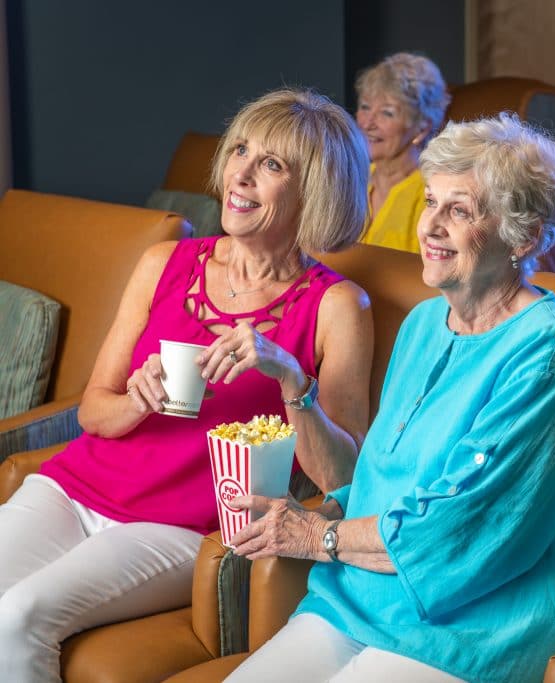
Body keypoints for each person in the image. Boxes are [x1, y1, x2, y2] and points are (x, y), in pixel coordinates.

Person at [225, 113, 555, 683]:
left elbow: (465, 526)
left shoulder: (552, 349)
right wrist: (330, 507)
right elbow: (387, 473)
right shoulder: (426, 322)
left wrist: (317, 535)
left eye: (460, 211)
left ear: (523, 236)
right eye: (431, 201)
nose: (429, 225)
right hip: (370, 592)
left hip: (490, 614)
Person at [0, 88, 374, 682]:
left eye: (271, 164)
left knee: (19, 616)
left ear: (316, 191)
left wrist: (289, 376)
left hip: (180, 528)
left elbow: (345, 477)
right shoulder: (165, 262)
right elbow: (95, 411)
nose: (240, 174)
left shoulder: (337, 306)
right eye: (240, 152)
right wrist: (136, 401)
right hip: (75, 487)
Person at [357, 52, 450, 253]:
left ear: (422, 128)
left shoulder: (432, 195)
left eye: (387, 113)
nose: (367, 123)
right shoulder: (351, 179)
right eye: (365, 107)